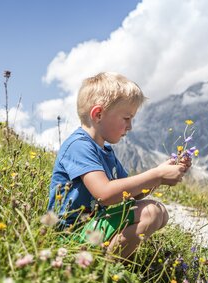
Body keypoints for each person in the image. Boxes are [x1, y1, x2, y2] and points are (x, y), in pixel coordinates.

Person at [47, 72, 190, 259]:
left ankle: (103, 264)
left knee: (159, 212)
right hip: (70, 235)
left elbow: (133, 193)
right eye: (126, 118)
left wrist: (163, 173)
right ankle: (100, 269)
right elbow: (105, 194)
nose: (130, 126)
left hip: (93, 226)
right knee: (151, 212)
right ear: (98, 114)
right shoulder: (79, 146)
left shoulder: (105, 151)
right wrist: (157, 175)